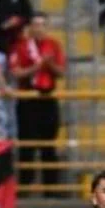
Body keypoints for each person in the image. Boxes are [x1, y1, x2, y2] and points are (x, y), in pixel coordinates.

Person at [9, 12, 65, 193]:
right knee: (27, 146)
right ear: (30, 27)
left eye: (42, 24)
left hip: (48, 98)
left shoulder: (54, 45)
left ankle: (52, 189)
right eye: (35, 24)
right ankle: (24, 188)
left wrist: (49, 65)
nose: (39, 28)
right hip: (27, 99)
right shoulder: (20, 47)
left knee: (49, 145)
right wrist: (37, 66)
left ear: (47, 27)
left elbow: (61, 72)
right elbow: (16, 73)